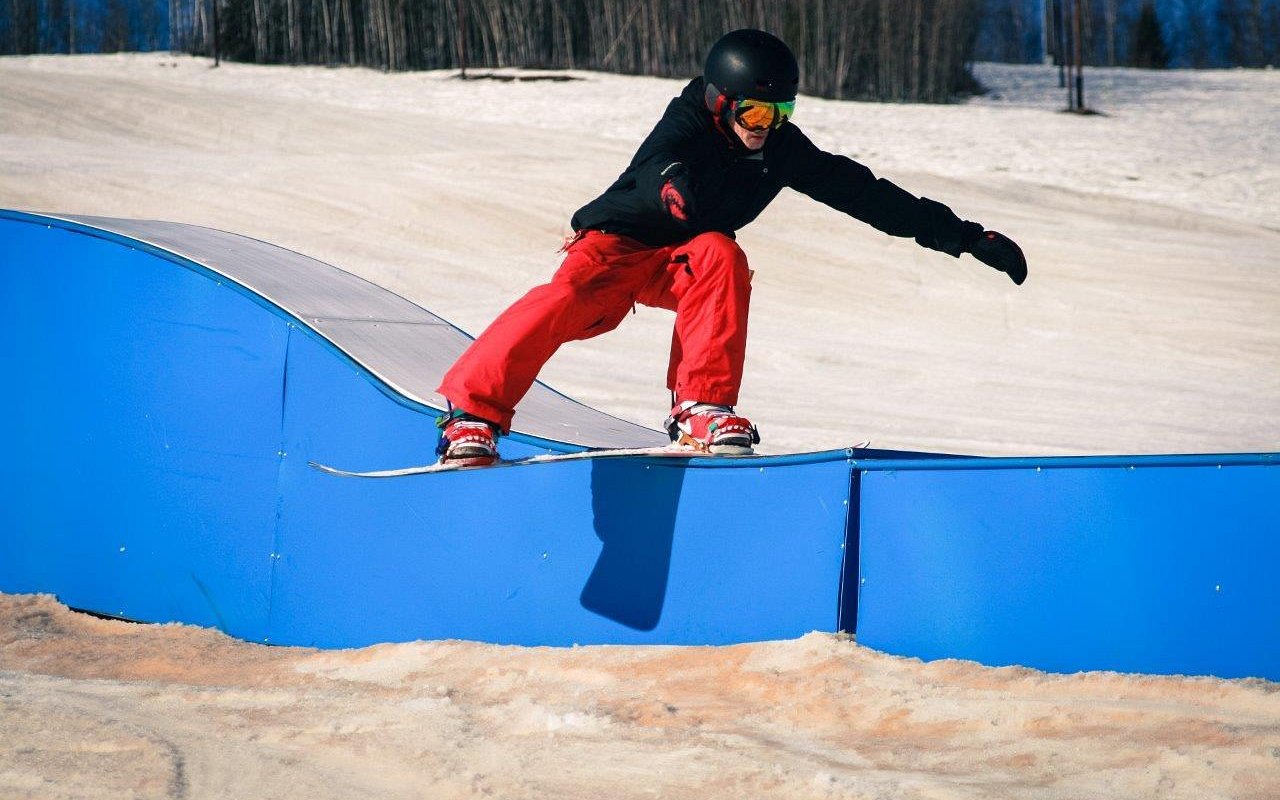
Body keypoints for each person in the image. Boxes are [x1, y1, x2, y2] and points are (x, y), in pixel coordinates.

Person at [435, 28, 1027, 466]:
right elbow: (656, 169)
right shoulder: (688, 121)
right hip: (617, 246)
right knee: (562, 297)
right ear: (722, 100)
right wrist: (676, 196)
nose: (765, 124)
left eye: (781, 111)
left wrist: (966, 236)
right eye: (755, 109)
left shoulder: (779, 148)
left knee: (722, 252)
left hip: (683, 263)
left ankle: (699, 409)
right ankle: (472, 416)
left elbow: (866, 194)